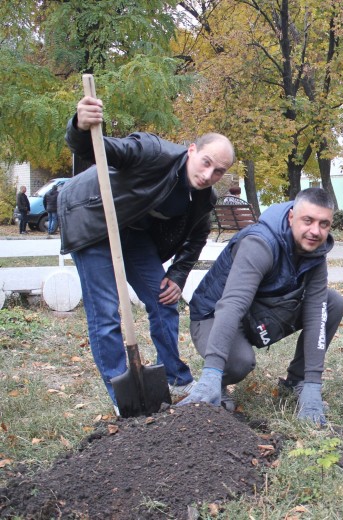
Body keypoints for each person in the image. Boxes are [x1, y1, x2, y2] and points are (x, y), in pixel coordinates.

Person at [58, 95, 235, 411]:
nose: (209, 175)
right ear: (191, 150)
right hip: (94, 217)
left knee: (164, 299)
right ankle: (122, 397)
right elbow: (97, 149)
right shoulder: (154, 153)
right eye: (206, 162)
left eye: (218, 171)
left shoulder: (204, 198)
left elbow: (197, 238)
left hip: (134, 233)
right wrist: (81, 126)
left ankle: (175, 376)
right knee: (106, 311)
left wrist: (177, 275)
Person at [179, 188, 343, 426]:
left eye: (324, 224)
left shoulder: (316, 251)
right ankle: (215, 382)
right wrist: (213, 371)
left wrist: (313, 384)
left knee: (332, 303)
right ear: (291, 218)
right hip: (214, 315)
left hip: (259, 311)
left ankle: (296, 382)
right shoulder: (260, 243)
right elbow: (232, 304)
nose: (315, 231)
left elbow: (316, 311)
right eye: (307, 220)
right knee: (238, 364)